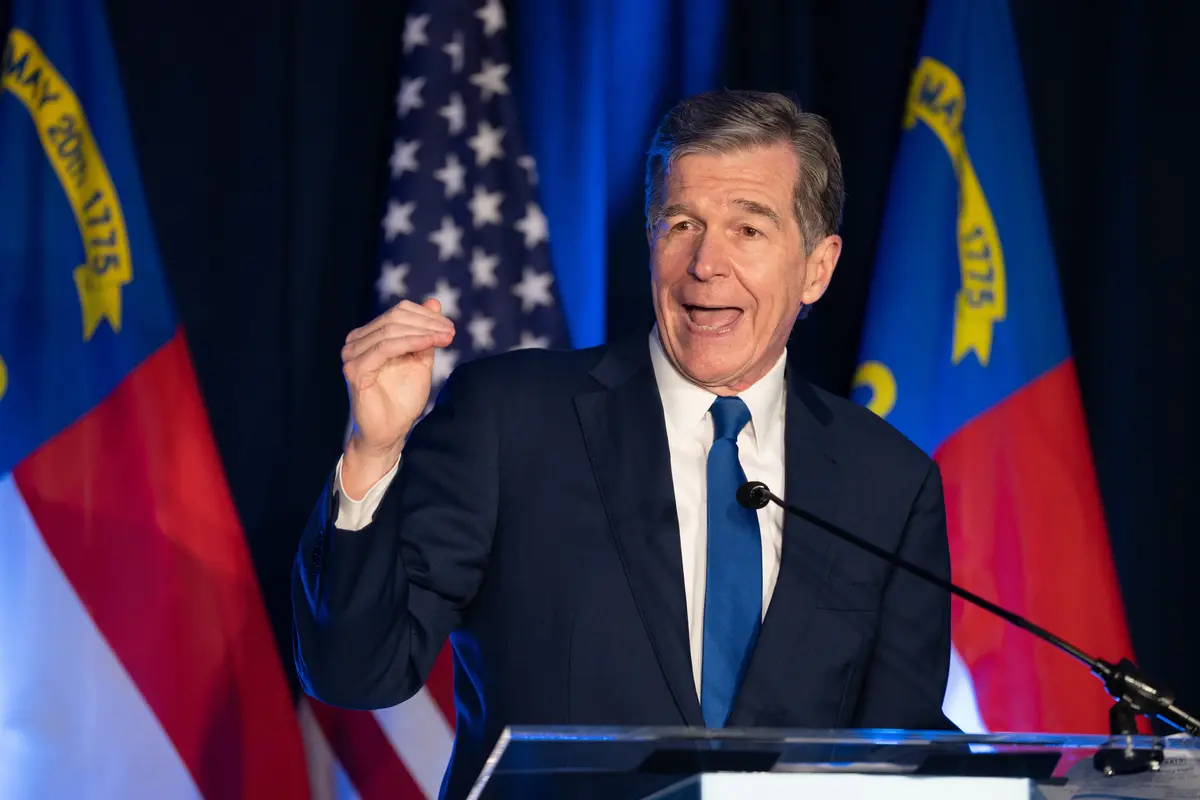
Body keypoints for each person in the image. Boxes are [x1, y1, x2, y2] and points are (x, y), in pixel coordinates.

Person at [293, 89, 954, 800]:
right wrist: (372, 454)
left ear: (817, 269)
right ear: (651, 239)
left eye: (749, 230)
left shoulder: (886, 483)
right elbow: (357, 672)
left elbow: (900, 748)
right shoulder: (511, 421)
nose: (706, 263)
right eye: (682, 224)